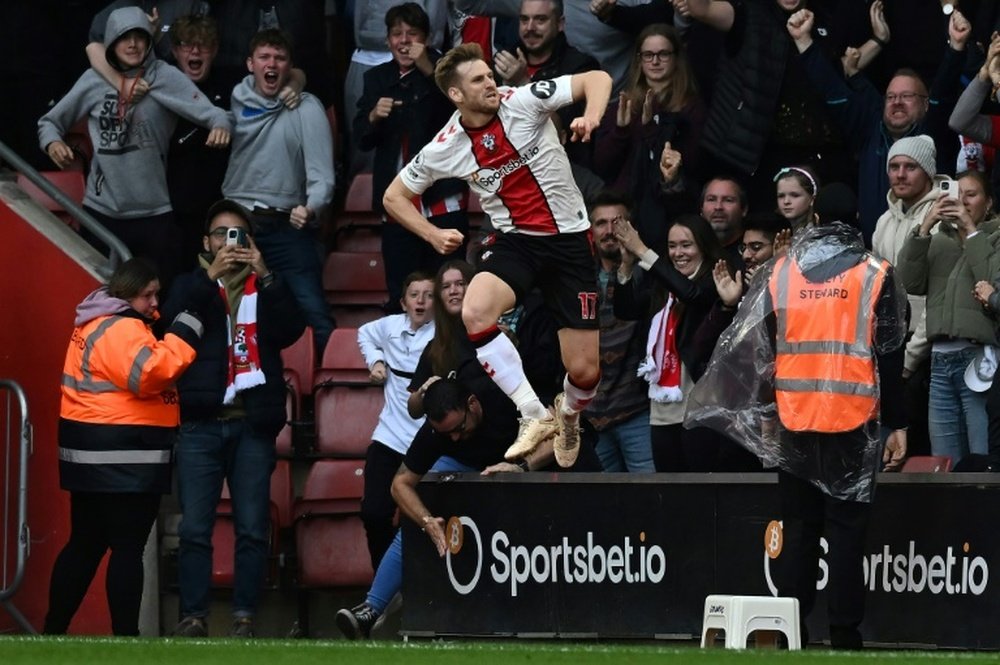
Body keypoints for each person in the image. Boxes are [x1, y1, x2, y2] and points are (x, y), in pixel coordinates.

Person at [382, 43, 612, 468]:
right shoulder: (446, 145)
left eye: (490, 75)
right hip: (515, 240)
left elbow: (596, 80)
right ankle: (533, 413)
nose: (490, 83)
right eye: (478, 80)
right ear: (456, 95)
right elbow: (394, 197)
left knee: (584, 373)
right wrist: (431, 234)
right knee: (475, 312)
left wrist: (592, 114)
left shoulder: (523, 100)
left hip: (569, 242)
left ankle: (569, 415)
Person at [686, 219, 907, 649]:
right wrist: (898, 423)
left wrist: (767, 412)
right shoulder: (874, 272)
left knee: (800, 527)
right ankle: (845, 633)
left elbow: (765, 351)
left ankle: (791, 628)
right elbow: (890, 355)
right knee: (845, 532)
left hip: (794, 416)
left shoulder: (783, 271)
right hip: (852, 418)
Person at [162, 199, 306, 638]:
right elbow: (170, 325)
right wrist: (210, 280)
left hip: (252, 424)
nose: (230, 242)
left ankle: (245, 616)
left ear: (251, 242)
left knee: (250, 528)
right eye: (221, 233)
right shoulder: (190, 284)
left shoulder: (264, 288)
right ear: (206, 241)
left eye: (238, 234)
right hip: (201, 424)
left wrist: (266, 274)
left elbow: (292, 329)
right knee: (196, 530)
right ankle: (193, 617)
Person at [45, 259, 204, 636]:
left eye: (156, 295)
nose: (155, 304)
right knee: (127, 549)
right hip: (126, 455)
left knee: (84, 545)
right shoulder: (122, 326)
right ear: (125, 292)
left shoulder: (92, 321)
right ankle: (126, 641)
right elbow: (151, 374)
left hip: (90, 454)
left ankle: (52, 632)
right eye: (147, 294)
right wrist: (186, 331)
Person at [335, 376, 558, 639]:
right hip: (462, 465)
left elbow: (561, 434)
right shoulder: (437, 433)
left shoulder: (505, 395)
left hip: (518, 463)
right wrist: (426, 520)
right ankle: (370, 611)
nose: (454, 437)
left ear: (473, 404)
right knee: (417, 516)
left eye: (459, 428)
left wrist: (521, 467)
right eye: (446, 434)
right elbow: (400, 484)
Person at [38, 6, 231, 291]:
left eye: (140, 37)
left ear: (150, 41)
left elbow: (214, 113)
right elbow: (49, 122)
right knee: (98, 296)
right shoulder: (93, 80)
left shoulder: (163, 75)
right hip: (101, 212)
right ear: (111, 43)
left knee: (157, 300)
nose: (132, 44)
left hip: (153, 214)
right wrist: (52, 142)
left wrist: (220, 125)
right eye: (124, 37)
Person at [786, 5, 969, 244]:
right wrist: (804, 42)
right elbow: (833, 92)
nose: (897, 103)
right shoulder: (868, 131)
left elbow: (942, 95)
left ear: (925, 105)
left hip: (929, 249)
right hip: (875, 251)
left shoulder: (934, 136)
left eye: (907, 96)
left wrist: (955, 49)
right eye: (891, 97)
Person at [221, 28, 334, 355]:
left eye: (280, 58)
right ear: (250, 64)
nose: (272, 64)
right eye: (265, 57)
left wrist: (312, 207)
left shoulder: (306, 107)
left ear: (289, 67)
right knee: (230, 308)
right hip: (238, 224)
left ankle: (324, 390)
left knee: (312, 310)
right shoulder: (234, 100)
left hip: (286, 225)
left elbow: (322, 174)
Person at [354, 3, 470, 310]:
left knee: (450, 287)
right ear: (388, 40)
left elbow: (463, 112)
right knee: (402, 288)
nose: (404, 41)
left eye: (413, 34)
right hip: (398, 201)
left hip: (443, 197)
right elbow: (361, 140)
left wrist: (430, 70)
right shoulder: (376, 79)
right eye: (397, 34)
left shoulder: (447, 69)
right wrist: (372, 117)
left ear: (427, 38)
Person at [896, 170, 1000, 468]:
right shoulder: (938, 238)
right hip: (940, 361)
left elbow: (991, 282)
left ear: (989, 202)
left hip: (980, 360)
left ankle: (985, 516)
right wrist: (925, 226)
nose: (962, 201)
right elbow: (908, 283)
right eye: (957, 193)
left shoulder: (995, 238)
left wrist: (971, 232)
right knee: (945, 463)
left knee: (983, 460)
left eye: (972, 194)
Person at [612, 213, 726, 471]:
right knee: (670, 490)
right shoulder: (664, 286)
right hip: (663, 408)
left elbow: (692, 294)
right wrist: (627, 266)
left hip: (699, 404)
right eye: (672, 246)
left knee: (699, 491)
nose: (678, 253)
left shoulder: (715, 278)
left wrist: (642, 250)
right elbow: (626, 309)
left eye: (686, 245)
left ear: (703, 247)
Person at [594, 24, 704, 249]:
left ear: (676, 58)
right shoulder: (621, 107)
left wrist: (652, 131)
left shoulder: (692, 109)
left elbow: (694, 164)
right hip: (624, 210)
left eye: (663, 54)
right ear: (639, 60)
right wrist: (621, 131)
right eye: (648, 55)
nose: (655, 61)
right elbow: (601, 165)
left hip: (667, 214)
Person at [357, 272, 436, 570]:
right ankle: (386, 578)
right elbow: (364, 333)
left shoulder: (444, 335)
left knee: (416, 521)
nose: (420, 301)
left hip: (426, 440)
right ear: (403, 303)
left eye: (428, 295)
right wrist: (375, 361)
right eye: (414, 295)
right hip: (389, 436)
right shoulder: (389, 326)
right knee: (374, 513)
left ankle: (413, 584)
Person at [585, 191, 654, 472]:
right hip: (592, 414)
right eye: (601, 223)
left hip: (637, 409)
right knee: (605, 506)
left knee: (651, 501)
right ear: (591, 230)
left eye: (618, 222)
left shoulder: (649, 274)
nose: (610, 231)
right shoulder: (578, 279)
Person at [492, 0, 600, 165]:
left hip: (559, 168)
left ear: (560, 23)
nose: (530, 28)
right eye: (524, 19)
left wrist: (523, 83)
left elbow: (565, 132)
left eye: (540, 20)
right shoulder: (505, 61)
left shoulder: (581, 67)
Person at [407, 260, 479, 420]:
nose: (453, 291)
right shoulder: (436, 347)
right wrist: (422, 392)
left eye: (460, 284)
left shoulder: (495, 335)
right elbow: (413, 410)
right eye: (445, 287)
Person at [700, 176, 748, 270]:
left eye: (728, 200)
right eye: (711, 199)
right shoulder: (690, 252)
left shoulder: (753, 255)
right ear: (701, 209)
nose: (718, 207)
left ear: (744, 210)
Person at [774, 165, 819, 235]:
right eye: (781, 196)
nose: (786, 201)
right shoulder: (771, 232)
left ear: (812, 199)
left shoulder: (820, 235)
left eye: (795, 195)